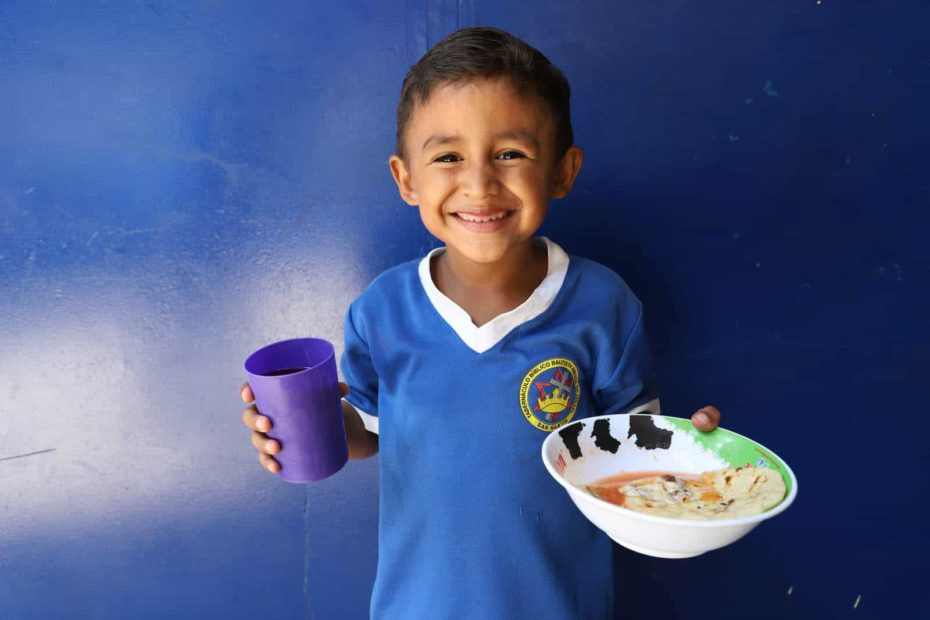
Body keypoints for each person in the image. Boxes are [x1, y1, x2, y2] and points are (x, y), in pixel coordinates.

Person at [242, 26, 722, 619]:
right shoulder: (380, 311)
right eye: (448, 156)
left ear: (564, 172)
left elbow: (633, 455)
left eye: (511, 153)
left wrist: (691, 454)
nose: (479, 183)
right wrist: (299, 424)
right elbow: (369, 432)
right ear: (406, 179)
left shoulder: (603, 304)